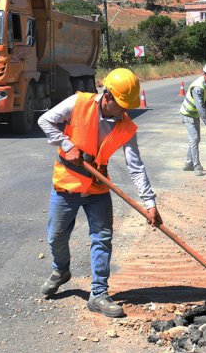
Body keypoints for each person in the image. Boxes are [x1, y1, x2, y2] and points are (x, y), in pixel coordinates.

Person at [37, 68, 162, 318]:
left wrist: (149, 202)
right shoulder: (78, 103)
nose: (125, 111)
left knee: (102, 238)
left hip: (97, 186)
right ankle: (61, 270)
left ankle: (99, 293)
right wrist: (67, 144)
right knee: (56, 237)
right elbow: (45, 120)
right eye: (122, 105)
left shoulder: (126, 127)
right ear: (107, 96)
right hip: (67, 184)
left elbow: (135, 166)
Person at [180, 62, 206, 172]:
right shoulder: (198, 88)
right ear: (204, 74)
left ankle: (188, 163)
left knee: (195, 139)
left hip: (194, 114)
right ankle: (196, 166)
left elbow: (204, 103)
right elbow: (200, 108)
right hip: (187, 114)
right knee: (195, 139)